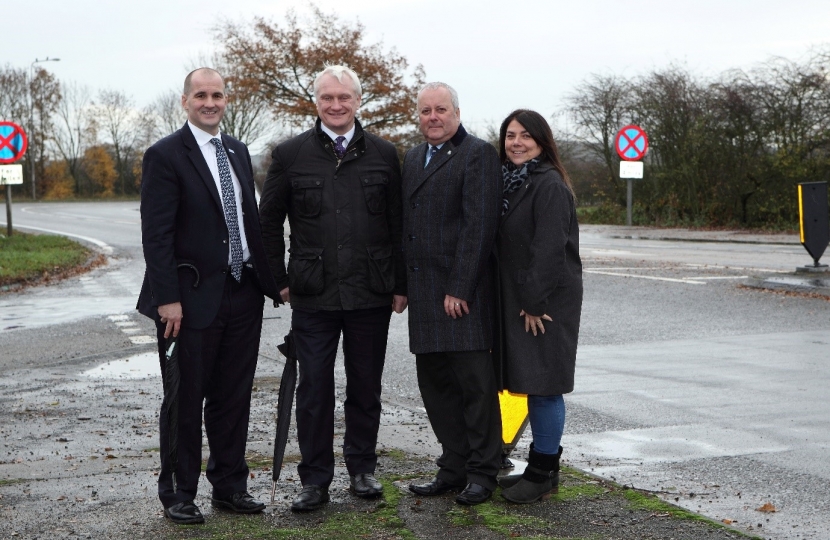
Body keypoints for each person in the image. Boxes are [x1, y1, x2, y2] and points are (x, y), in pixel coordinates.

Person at [259, 65, 406, 512]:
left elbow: (400, 226)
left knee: (365, 386)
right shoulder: (289, 154)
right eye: (327, 98)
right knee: (315, 387)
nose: (336, 105)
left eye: (344, 97)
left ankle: (362, 469)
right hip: (313, 295)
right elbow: (267, 223)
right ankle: (315, 480)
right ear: (316, 102)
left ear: (358, 101)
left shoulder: (384, 154)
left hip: (370, 293)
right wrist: (278, 281)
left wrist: (401, 284)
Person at [137, 68, 279, 524]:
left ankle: (230, 487)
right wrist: (167, 299)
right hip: (187, 301)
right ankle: (179, 493)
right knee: (184, 398)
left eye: (217, 95)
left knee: (233, 396)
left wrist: (273, 281)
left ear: (225, 99)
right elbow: (155, 235)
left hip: (242, 293)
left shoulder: (236, 150)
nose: (210, 102)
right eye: (201, 95)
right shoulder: (164, 156)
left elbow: (248, 225)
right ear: (185, 101)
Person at [402, 82, 503, 505]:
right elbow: (404, 226)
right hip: (423, 295)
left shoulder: (477, 154)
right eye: (426, 110)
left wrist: (459, 287)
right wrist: (398, 286)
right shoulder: (410, 157)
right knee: (437, 388)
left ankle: (483, 471)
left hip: (462, 296)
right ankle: (453, 467)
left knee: (475, 388)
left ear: (457, 112)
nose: (433, 117)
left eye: (441, 109)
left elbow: (478, 226)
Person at [493, 109, 583, 504]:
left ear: (542, 142)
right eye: (510, 135)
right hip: (526, 299)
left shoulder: (548, 185)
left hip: (544, 304)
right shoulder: (513, 182)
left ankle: (543, 471)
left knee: (545, 387)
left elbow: (549, 249)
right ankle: (541, 472)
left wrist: (532, 303)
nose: (516, 142)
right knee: (532, 383)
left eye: (525, 136)